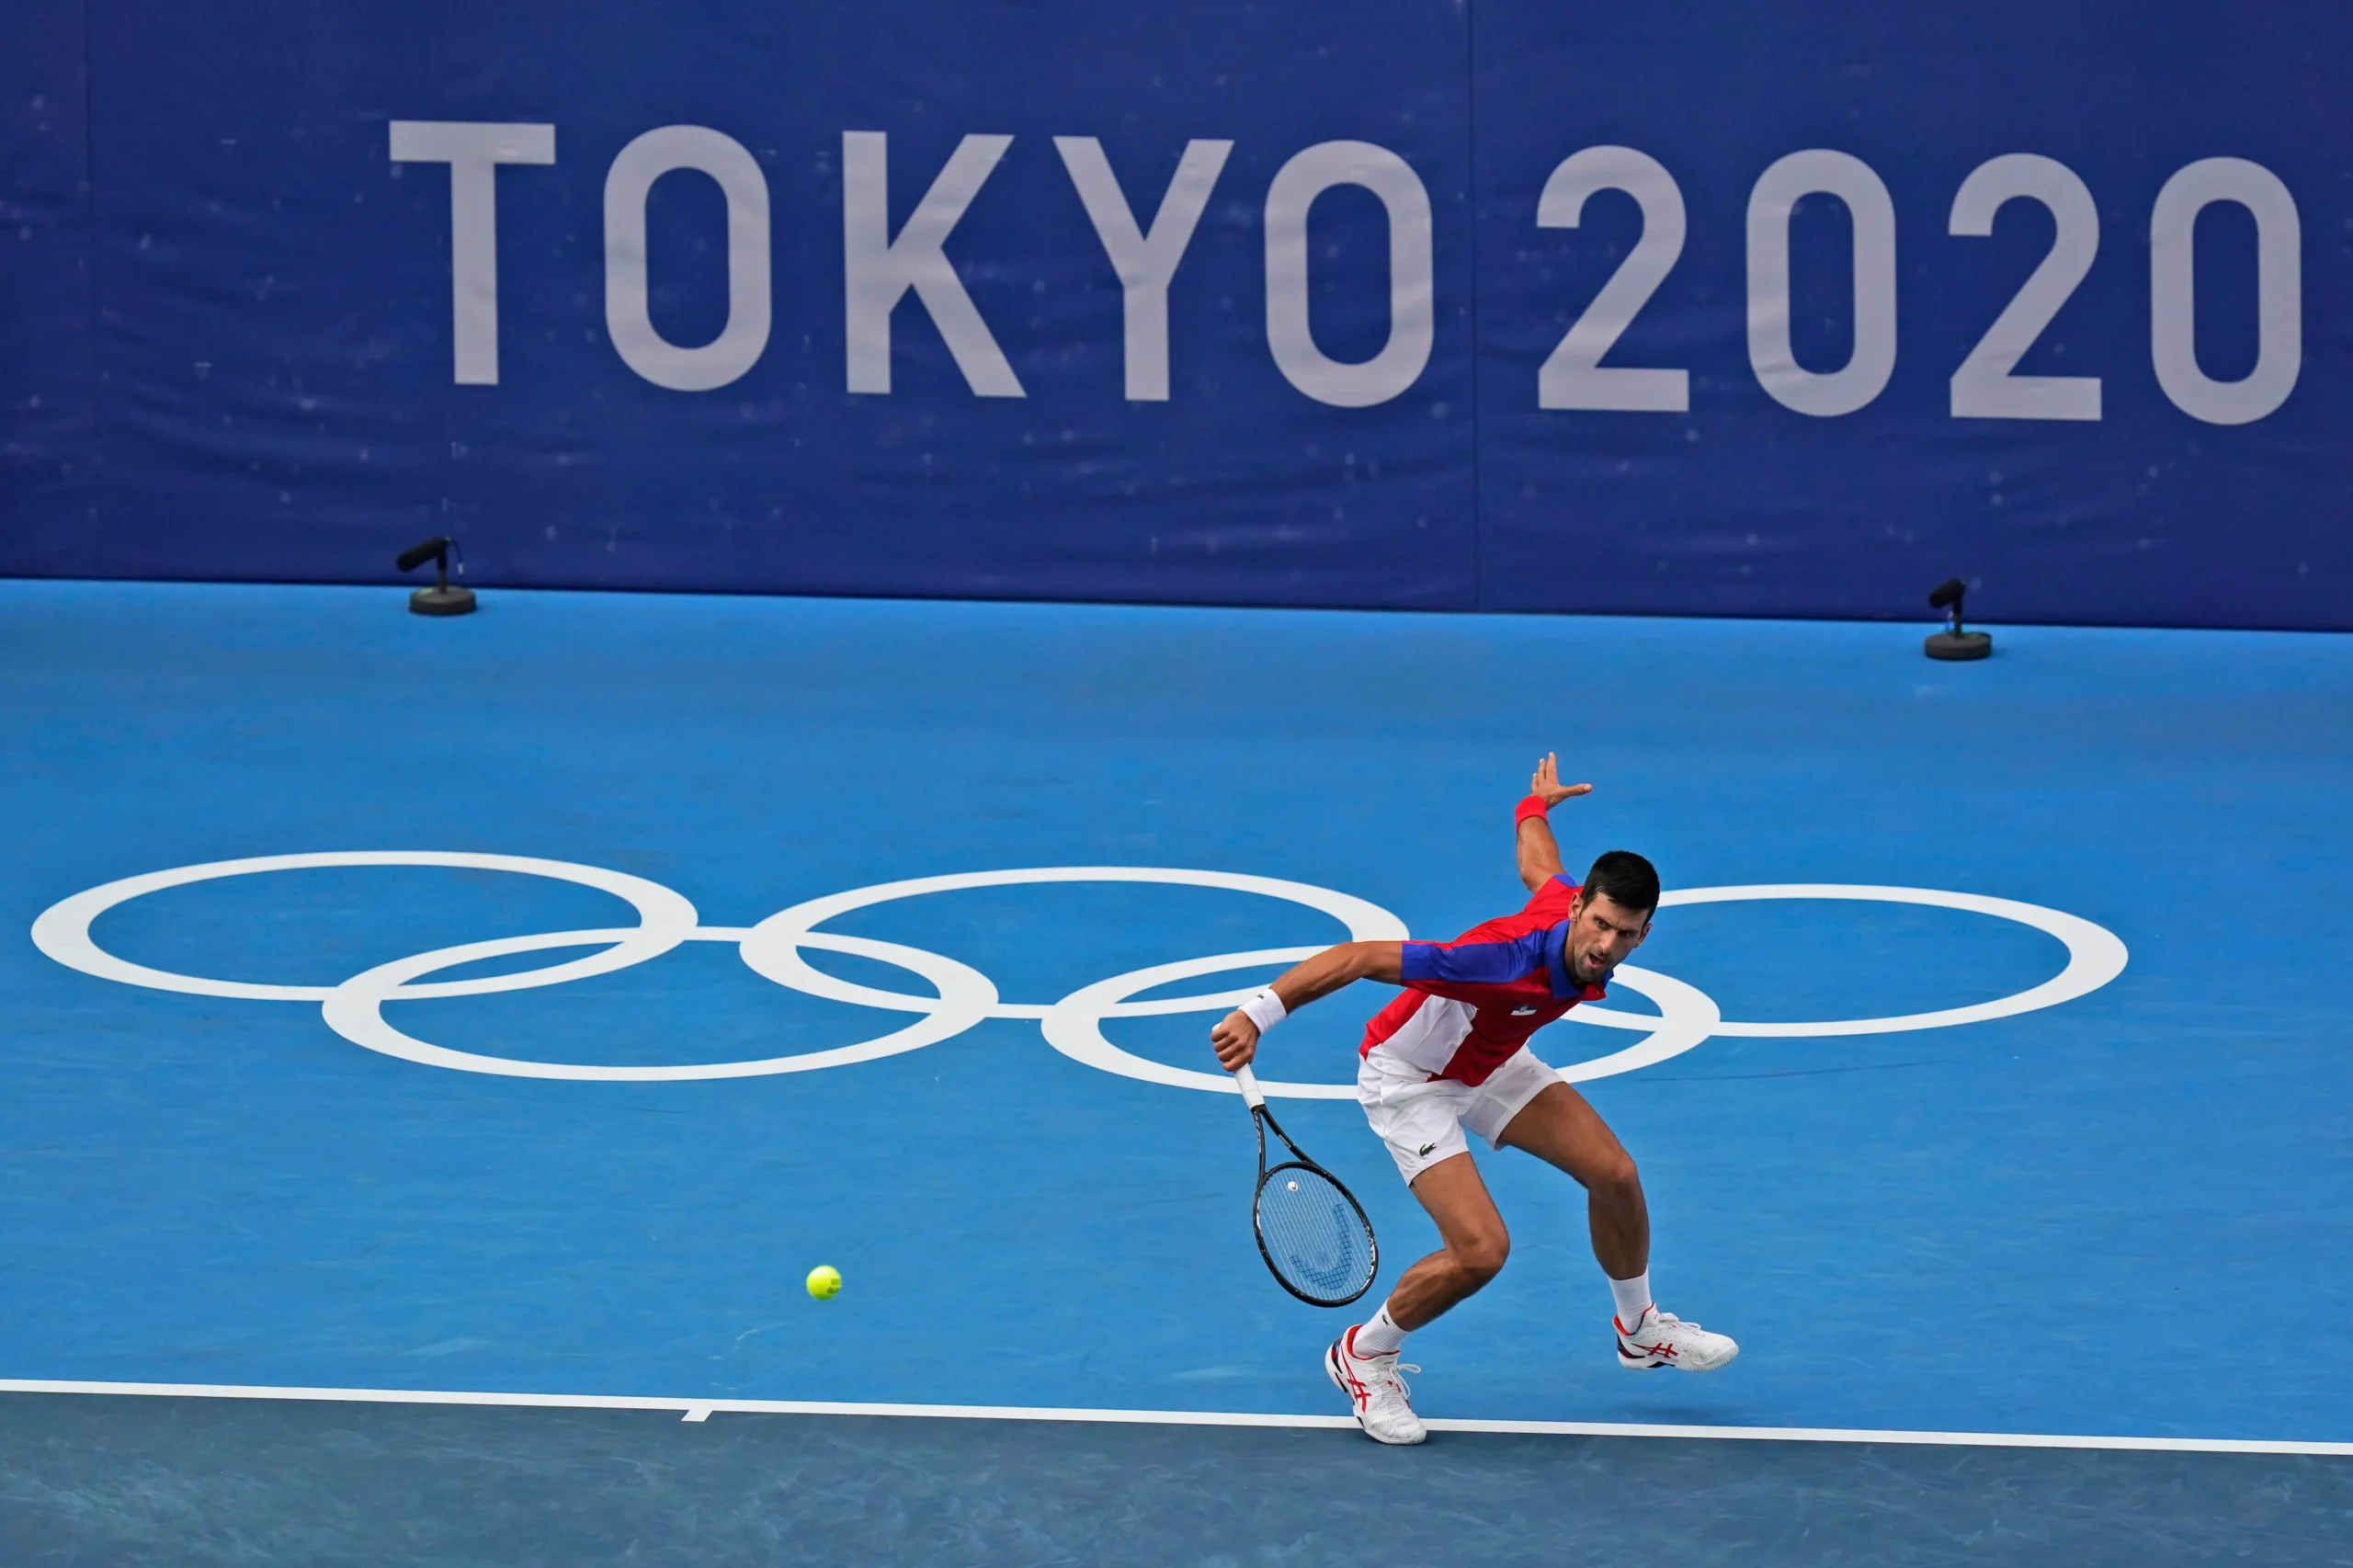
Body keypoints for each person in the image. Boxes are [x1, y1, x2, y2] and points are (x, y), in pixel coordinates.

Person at [1208, 755, 1737, 1445]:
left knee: (1616, 1175)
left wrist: (1533, 807)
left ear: (1645, 932)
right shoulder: (1496, 961)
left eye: (1626, 934)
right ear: (1580, 909)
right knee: (1482, 1250)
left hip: (1490, 1060)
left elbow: (1538, 866)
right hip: (1409, 1080)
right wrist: (1259, 1013)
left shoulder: (1566, 905)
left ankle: (1639, 1330)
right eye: (1600, 925)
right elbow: (1362, 956)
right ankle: (1363, 1355)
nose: (1607, 946)